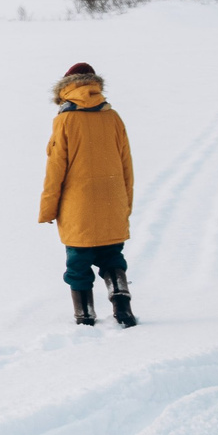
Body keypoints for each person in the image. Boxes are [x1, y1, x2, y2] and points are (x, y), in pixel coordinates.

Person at [38, 61, 136, 327]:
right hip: (112, 200)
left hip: (77, 205)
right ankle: (122, 305)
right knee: (112, 257)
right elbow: (126, 164)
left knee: (78, 265)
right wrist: (125, 203)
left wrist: (48, 208)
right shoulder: (113, 117)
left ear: (67, 88)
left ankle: (85, 316)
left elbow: (55, 169)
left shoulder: (65, 119)